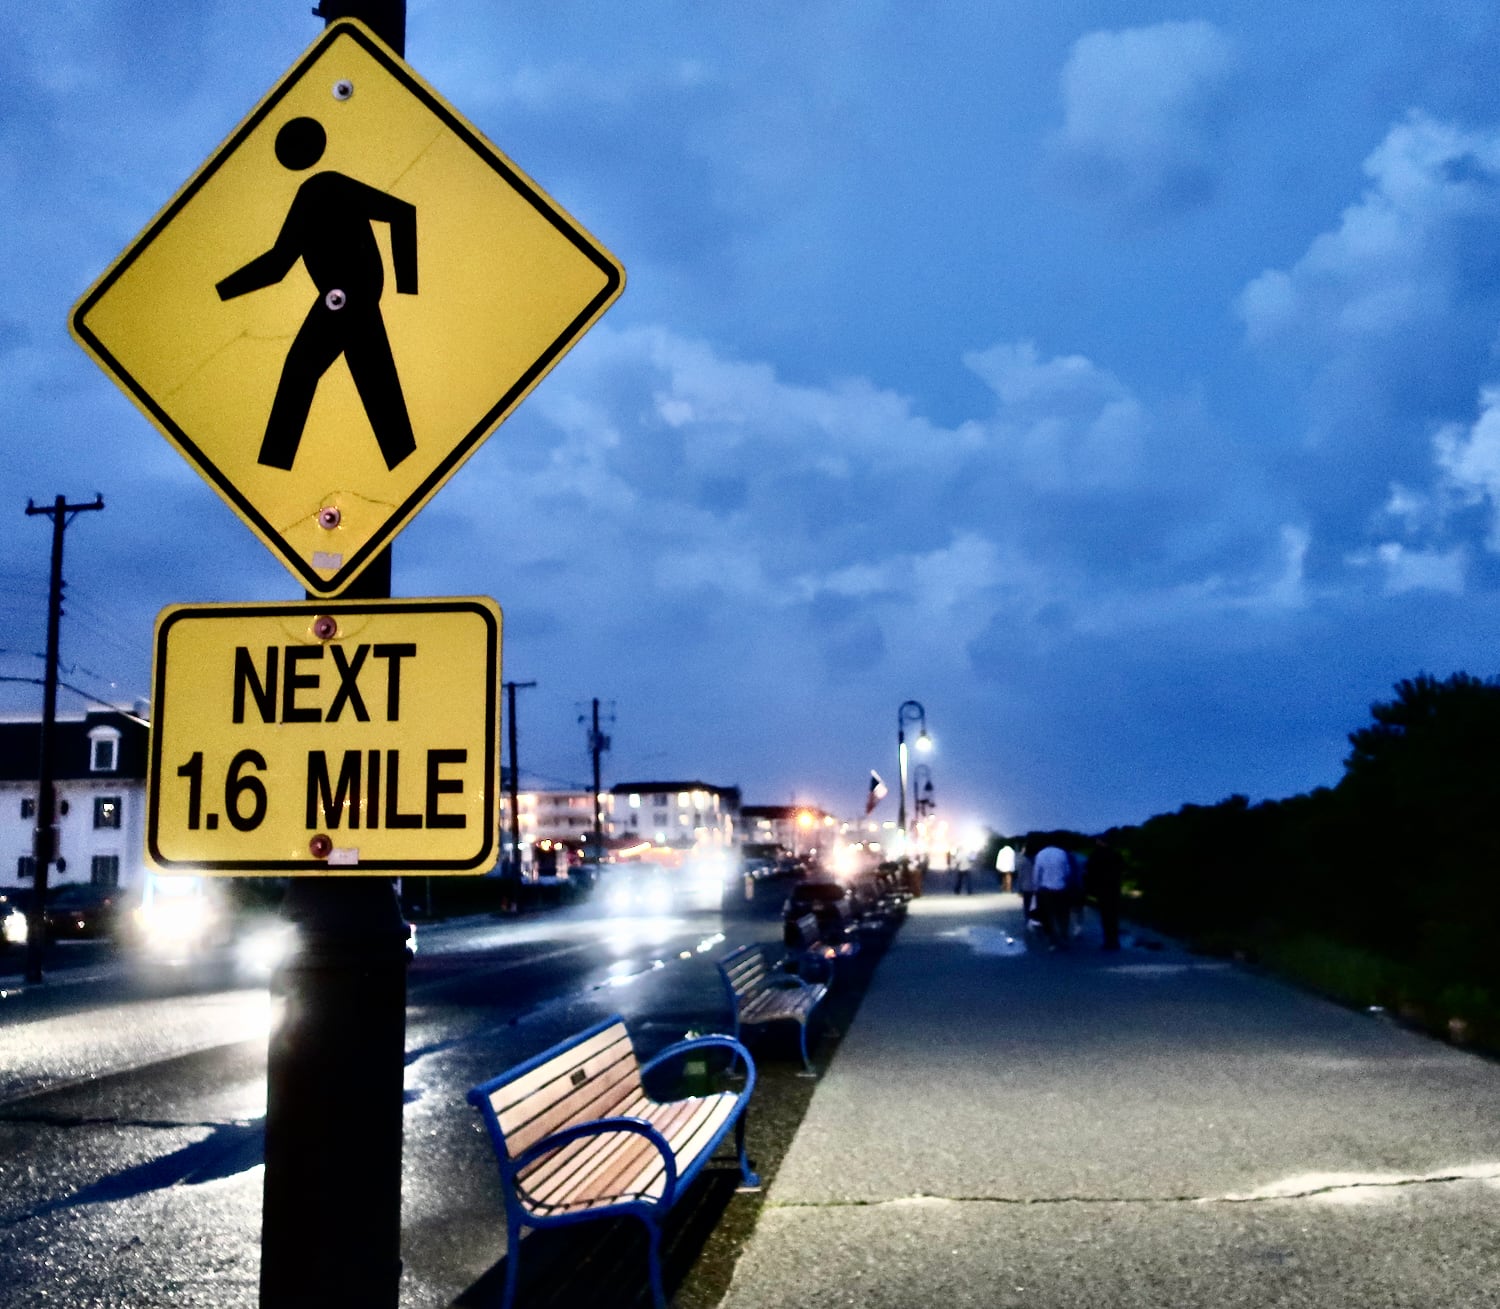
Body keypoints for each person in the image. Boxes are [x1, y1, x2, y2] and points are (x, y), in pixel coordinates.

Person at [1087, 834, 1125, 951]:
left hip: (1102, 889)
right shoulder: (1116, 854)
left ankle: (1108, 941)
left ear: (1100, 842)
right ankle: (1115, 940)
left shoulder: (1095, 855)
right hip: (1114, 888)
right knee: (1114, 915)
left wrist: (1090, 890)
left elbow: (1090, 872)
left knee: (1105, 915)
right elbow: (1122, 869)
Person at [1033, 841, 1073, 950]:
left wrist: (1036, 888)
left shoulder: (1040, 854)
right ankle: (1064, 936)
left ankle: (1053, 941)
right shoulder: (1062, 853)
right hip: (1061, 888)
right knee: (1063, 915)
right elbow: (1067, 871)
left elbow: (1037, 873)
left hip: (1046, 889)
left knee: (1049, 916)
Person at [1015, 839, 1037, 924]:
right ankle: (1035, 920)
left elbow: (1020, 876)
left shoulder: (1023, 861)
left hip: (1026, 887)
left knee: (1027, 905)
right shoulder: (1036, 859)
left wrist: (1019, 888)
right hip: (1036, 886)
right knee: (1036, 905)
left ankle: (1028, 921)